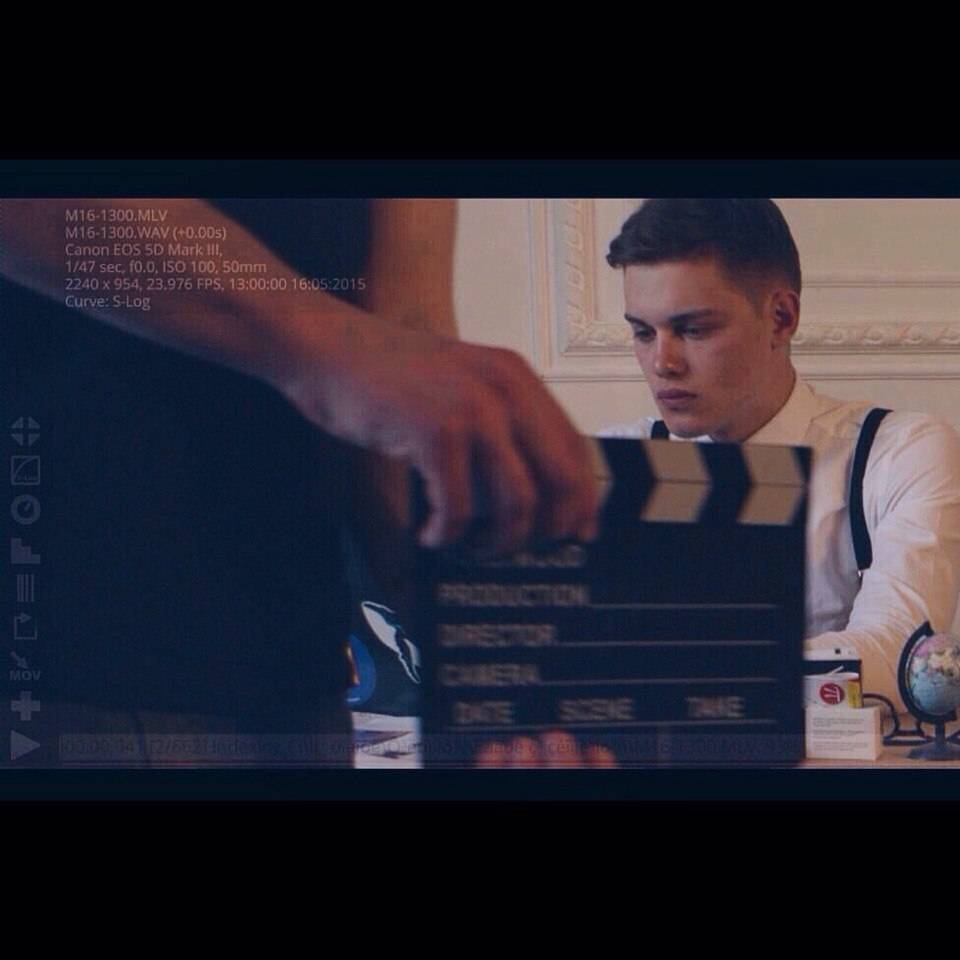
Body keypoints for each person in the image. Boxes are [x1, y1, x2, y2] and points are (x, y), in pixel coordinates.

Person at [1, 198, 599, 766]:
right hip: (58, 671)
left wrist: (482, 663)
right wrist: (327, 343)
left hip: (294, 684)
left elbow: (405, 328)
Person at [601, 199, 960, 711]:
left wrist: (667, 671)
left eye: (694, 329)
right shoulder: (616, 463)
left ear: (780, 318)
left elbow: (902, 656)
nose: (662, 362)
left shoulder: (898, 452)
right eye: (642, 332)